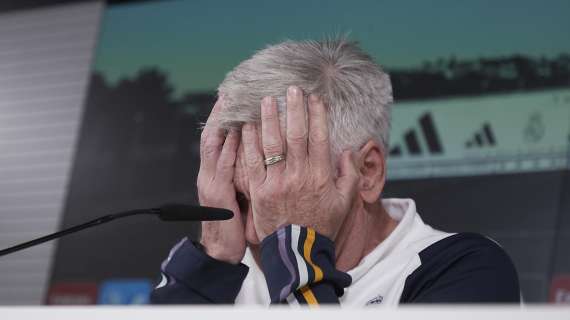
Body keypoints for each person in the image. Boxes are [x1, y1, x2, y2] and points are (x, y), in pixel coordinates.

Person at [150, 39, 520, 306]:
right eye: (242, 201)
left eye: (281, 195)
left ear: (368, 172)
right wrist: (211, 262)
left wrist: (296, 254)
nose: (252, 234)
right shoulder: (226, 268)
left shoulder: (466, 269)